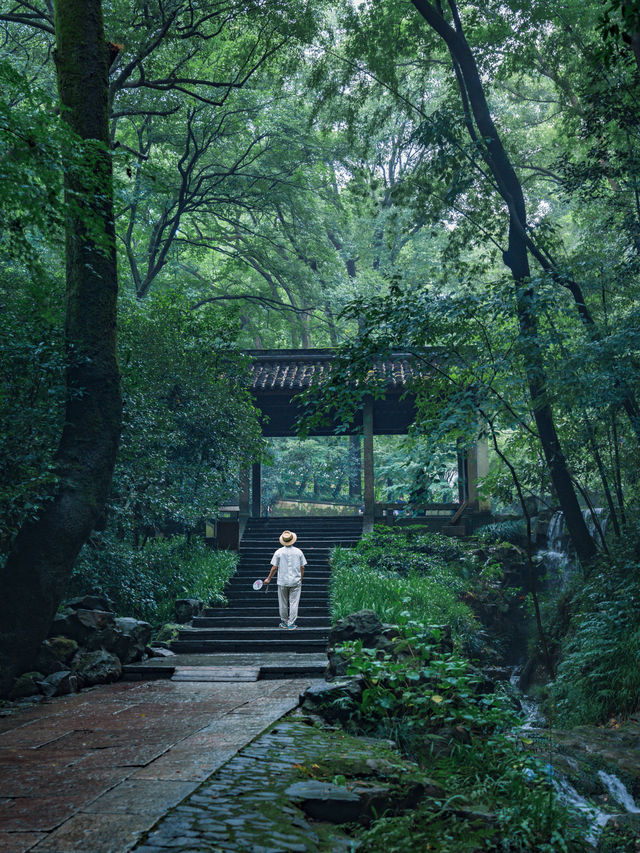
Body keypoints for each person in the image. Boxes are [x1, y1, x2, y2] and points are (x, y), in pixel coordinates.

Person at [263, 529, 307, 630]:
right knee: (294, 603)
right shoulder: (298, 552)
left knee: (282, 602)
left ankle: (284, 622)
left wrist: (268, 578)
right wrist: (301, 578)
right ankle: (291, 624)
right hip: (295, 581)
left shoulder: (278, 552)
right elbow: (303, 567)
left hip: (282, 581)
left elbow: (274, 567)